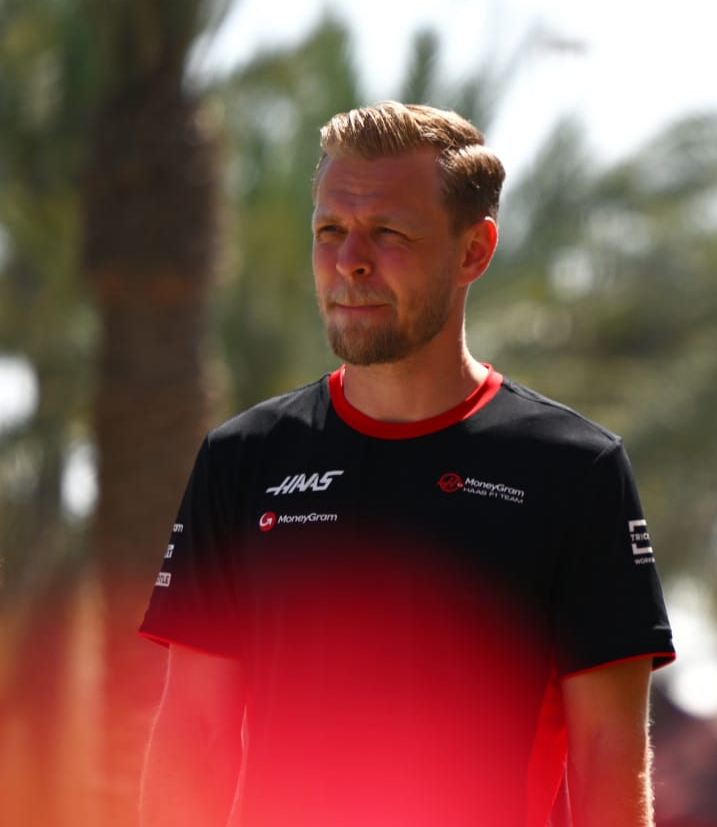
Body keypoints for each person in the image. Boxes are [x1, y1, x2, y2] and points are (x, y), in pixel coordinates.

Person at [138, 102, 675, 827]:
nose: (349, 259)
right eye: (330, 231)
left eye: (387, 232)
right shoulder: (243, 459)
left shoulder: (575, 470)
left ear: (473, 252)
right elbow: (191, 736)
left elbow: (610, 758)